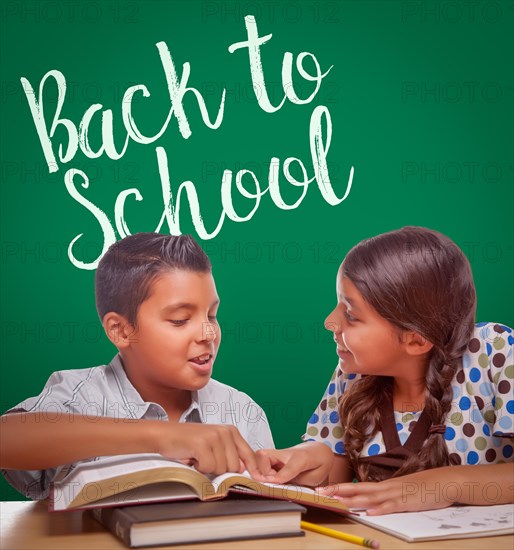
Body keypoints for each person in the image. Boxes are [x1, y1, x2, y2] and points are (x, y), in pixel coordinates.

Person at [255, 226, 513, 514]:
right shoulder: (352, 374)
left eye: (351, 315)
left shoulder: (495, 352)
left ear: (415, 340)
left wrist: (443, 484)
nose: (330, 321)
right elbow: (335, 484)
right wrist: (315, 458)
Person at [0, 233, 274, 500]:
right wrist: (160, 436)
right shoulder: (81, 396)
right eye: (180, 320)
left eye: (212, 315)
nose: (208, 333)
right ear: (120, 330)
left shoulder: (243, 411)